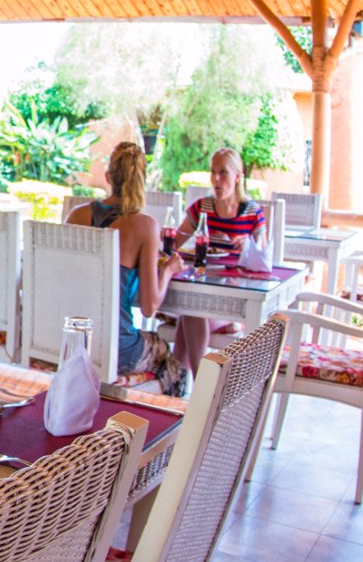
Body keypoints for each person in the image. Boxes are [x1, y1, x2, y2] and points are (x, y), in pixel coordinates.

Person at [68, 141, 187, 395]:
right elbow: (149, 307)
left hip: (71, 341)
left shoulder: (76, 216)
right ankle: (142, 419)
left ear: (108, 176)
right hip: (117, 349)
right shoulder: (144, 226)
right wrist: (166, 271)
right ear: (142, 180)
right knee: (172, 364)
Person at [169, 147, 268, 377]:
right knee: (191, 310)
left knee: (191, 311)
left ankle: (187, 384)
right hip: (204, 292)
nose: (216, 179)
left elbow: (263, 262)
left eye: (223, 172)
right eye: (213, 172)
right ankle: (189, 387)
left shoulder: (251, 213)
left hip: (234, 303)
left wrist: (248, 246)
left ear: (237, 176)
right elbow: (175, 242)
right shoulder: (202, 208)